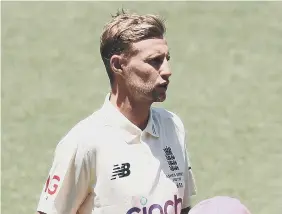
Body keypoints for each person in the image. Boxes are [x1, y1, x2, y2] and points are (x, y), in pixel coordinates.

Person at [36, 10, 196, 214]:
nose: (167, 70)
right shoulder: (85, 143)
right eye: (155, 61)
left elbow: (182, 208)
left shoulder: (173, 127)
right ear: (118, 65)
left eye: (167, 58)